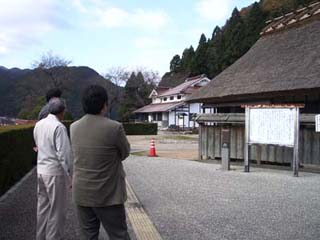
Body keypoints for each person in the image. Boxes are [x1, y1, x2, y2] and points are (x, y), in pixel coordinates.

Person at [71, 85, 131, 240]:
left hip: (82, 193)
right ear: (104, 104)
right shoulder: (114, 127)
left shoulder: (73, 127)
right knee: (119, 235)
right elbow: (125, 153)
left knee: (88, 236)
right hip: (108, 194)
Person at [33, 98, 73, 240]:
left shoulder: (39, 125)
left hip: (41, 171)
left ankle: (40, 236)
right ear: (62, 111)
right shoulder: (59, 127)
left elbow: (38, 144)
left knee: (42, 209)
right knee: (57, 211)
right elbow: (64, 155)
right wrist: (70, 176)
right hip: (54, 173)